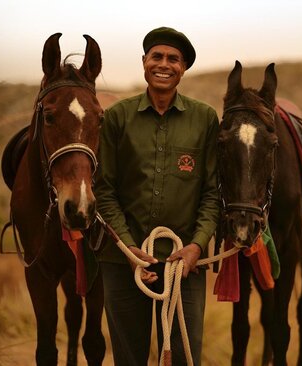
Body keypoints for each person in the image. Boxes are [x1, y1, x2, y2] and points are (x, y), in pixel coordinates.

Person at [94, 26, 219, 365]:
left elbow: (212, 192)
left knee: (181, 356)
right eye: (157, 56)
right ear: (144, 62)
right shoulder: (118, 117)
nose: (164, 64)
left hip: (185, 263)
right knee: (128, 358)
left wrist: (197, 245)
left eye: (173, 59)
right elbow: (103, 189)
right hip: (124, 261)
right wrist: (127, 246)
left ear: (183, 68)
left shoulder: (205, 119)